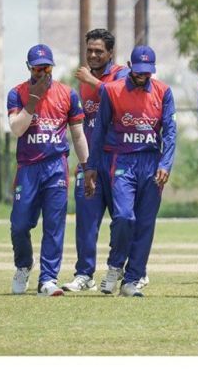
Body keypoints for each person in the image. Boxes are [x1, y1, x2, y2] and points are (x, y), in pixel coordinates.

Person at [84, 45, 176, 297]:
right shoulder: (112, 91)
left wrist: (165, 164)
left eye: (148, 72)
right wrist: (91, 166)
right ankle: (115, 266)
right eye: (138, 71)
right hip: (122, 161)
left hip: (151, 162)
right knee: (124, 217)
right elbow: (99, 130)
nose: (142, 76)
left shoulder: (164, 92)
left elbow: (169, 131)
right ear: (128, 66)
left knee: (145, 224)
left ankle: (132, 279)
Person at [7, 44, 88, 297]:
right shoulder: (17, 93)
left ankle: (48, 279)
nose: (43, 73)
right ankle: (23, 265)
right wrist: (33, 99)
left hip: (55, 167)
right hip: (28, 168)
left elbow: (77, 135)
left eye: (47, 67)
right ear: (29, 68)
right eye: (38, 68)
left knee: (54, 225)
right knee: (20, 225)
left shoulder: (67, 94)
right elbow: (17, 129)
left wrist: (87, 166)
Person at [62, 29, 131, 293]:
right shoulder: (83, 81)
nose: (92, 55)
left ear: (110, 53)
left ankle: (124, 270)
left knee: (123, 219)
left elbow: (123, 99)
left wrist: (93, 81)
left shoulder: (122, 75)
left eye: (98, 51)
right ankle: (84, 274)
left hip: (117, 159)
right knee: (86, 221)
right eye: (89, 50)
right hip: (90, 161)